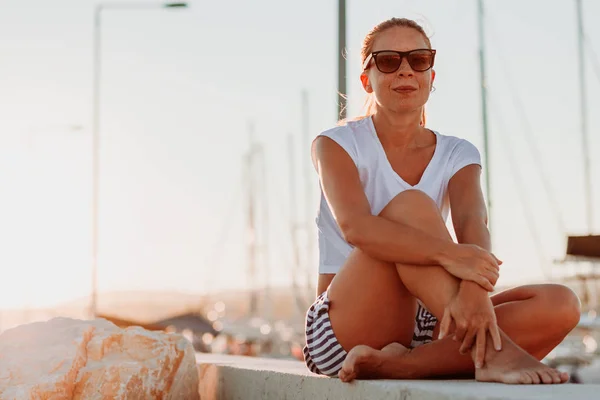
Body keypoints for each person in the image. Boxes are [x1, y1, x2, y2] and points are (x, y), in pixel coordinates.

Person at [302, 17, 581, 384]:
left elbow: (472, 225)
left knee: (561, 305)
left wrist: (474, 290)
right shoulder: (336, 144)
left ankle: (397, 365)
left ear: (431, 77)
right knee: (412, 206)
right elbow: (358, 228)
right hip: (344, 324)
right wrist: (452, 257)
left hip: (430, 320)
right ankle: (492, 353)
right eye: (388, 61)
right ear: (366, 79)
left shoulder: (457, 152)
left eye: (418, 60)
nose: (405, 70)